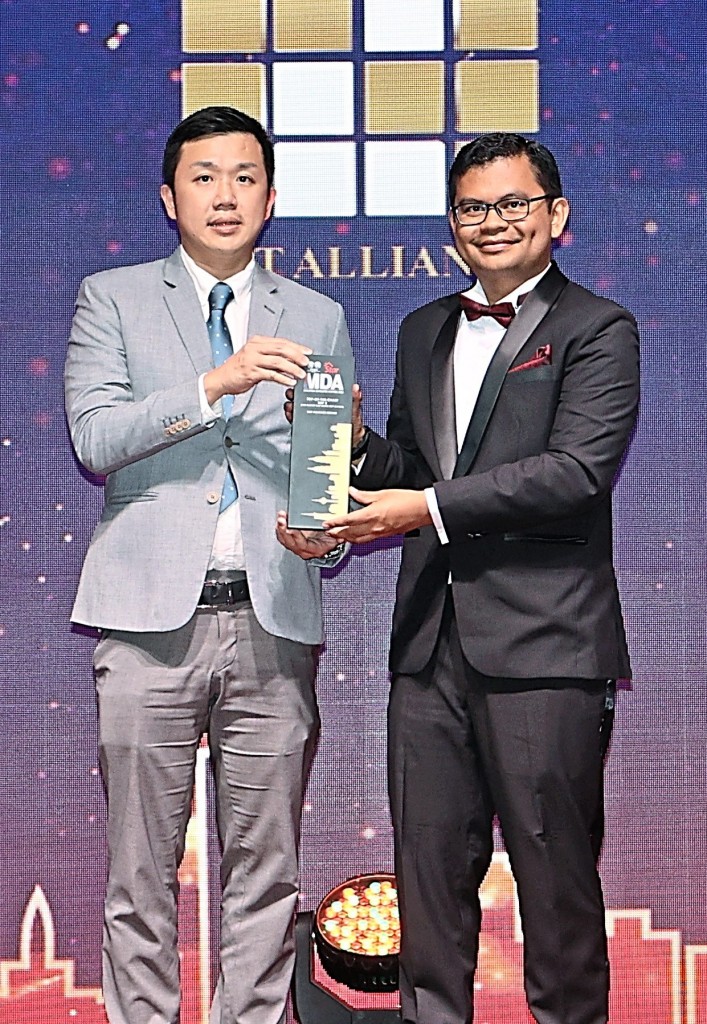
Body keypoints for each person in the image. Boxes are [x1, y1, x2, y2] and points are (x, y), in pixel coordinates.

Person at [324, 133, 640, 1024]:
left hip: (544, 646)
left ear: (555, 215)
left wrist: (421, 506)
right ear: (452, 224)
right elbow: (414, 464)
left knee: (555, 882)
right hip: (428, 650)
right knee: (426, 880)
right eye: (473, 208)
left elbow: (573, 472)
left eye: (512, 204)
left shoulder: (598, 328)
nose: (492, 222)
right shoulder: (423, 327)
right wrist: (354, 445)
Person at [64, 105, 351, 1024]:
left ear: (270, 199)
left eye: (243, 178)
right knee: (139, 870)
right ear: (168, 195)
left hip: (272, 617)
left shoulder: (317, 315)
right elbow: (97, 438)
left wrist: (328, 534)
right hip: (147, 621)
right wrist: (213, 384)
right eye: (203, 176)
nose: (223, 195)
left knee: (265, 871)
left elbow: (328, 466)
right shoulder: (111, 296)